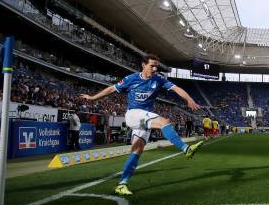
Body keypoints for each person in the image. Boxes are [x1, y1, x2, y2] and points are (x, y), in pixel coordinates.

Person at [81, 54, 204, 196]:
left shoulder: (158, 79)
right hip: (133, 114)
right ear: (143, 65)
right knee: (164, 121)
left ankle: (122, 184)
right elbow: (111, 89)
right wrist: (92, 98)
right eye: (152, 65)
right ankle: (185, 148)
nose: (155, 68)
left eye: (156, 66)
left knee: (137, 150)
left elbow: (177, 89)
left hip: (144, 117)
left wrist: (189, 99)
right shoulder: (131, 79)